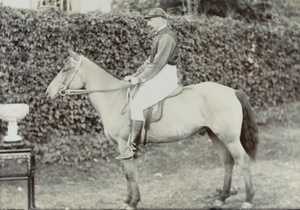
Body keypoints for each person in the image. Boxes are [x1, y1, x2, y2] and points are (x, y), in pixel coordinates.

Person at [116, 8, 179, 160]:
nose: (149, 23)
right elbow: (150, 61)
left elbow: (157, 64)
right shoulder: (160, 36)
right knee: (134, 94)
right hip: (159, 74)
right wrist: (136, 75)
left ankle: (132, 148)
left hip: (165, 77)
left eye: (151, 20)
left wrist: (139, 79)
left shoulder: (167, 37)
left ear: (159, 19)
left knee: (137, 104)